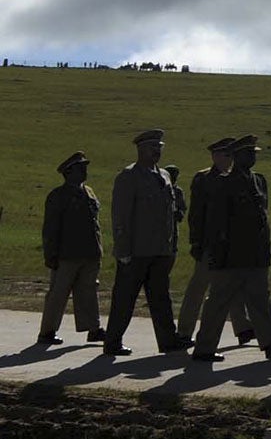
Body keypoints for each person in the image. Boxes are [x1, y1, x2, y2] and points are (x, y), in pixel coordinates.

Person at [191, 137, 271, 361]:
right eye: (248, 154)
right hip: (230, 255)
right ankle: (204, 347)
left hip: (255, 254)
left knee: (260, 300)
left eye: (254, 153)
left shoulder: (259, 181)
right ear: (236, 157)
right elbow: (216, 222)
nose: (252, 158)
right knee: (218, 302)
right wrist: (217, 253)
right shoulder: (224, 183)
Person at [103, 128, 181, 356]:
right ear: (140, 149)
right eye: (152, 147)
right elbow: (120, 216)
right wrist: (123, 249)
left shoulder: (164, 176)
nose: (156, 151)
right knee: (124, 299)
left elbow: (170, 215)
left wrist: (171, 248)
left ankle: (168, 341)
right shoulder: (129, 176)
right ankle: (113, 342)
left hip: (160, 250)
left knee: (161, 299)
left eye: (159, 147)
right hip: (136, 251)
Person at [177, 138, 250, 346]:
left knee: (232, 286)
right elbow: (196, 214)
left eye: (231, 155)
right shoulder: (204, 178)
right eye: (226, 155)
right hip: (210, 242)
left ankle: (243, 328)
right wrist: (196, 241)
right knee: (198, 286)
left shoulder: (236, 177)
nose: (229, 160)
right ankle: (184, 331)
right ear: (215, 156)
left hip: (231, 243)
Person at [38, 152, 103, 347]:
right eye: (80, 168)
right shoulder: (58, 196)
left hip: (90, 252)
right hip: (67, 254)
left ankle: (93, 328)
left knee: (89, 292)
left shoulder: (89, 192)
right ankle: (47, 331)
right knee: (58, 294)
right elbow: (50, 228)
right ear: (69, 172)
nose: (85, 171)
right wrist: (51, 254)